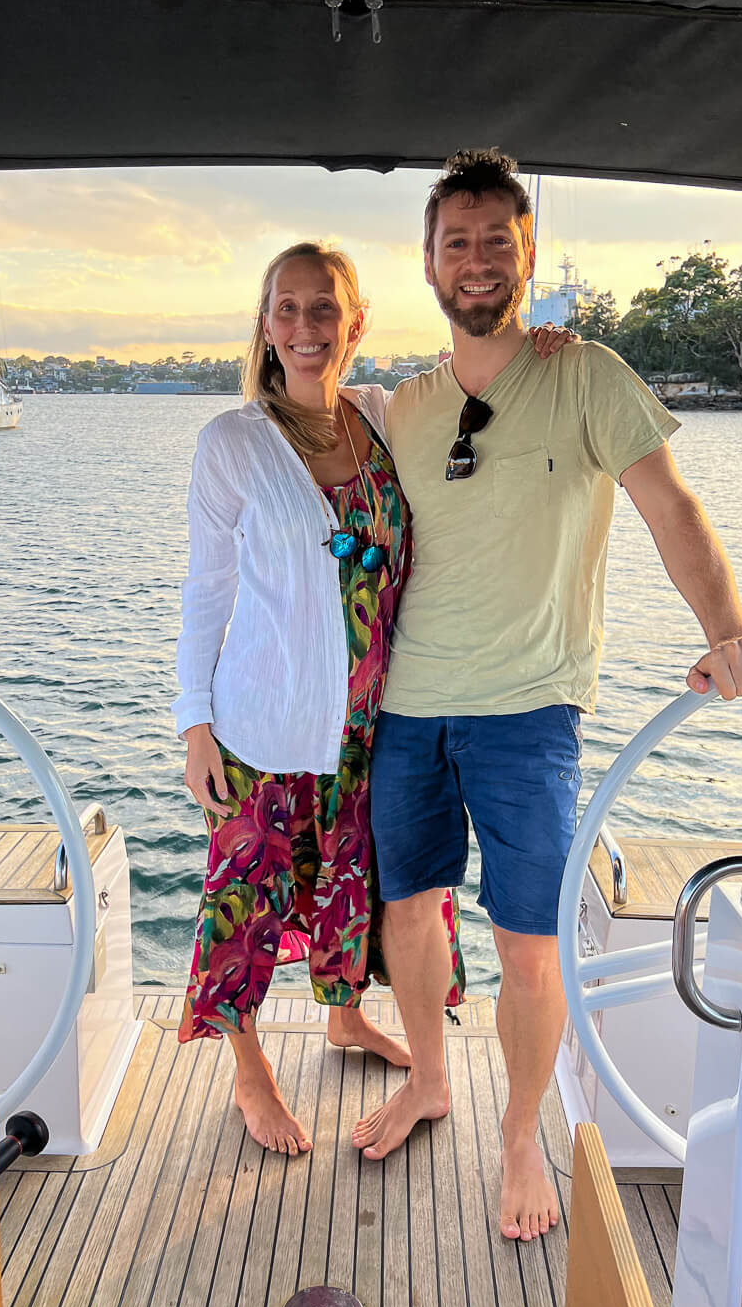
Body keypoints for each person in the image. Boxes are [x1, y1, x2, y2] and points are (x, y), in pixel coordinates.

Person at [353, 149, 742, 1241]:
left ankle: (521, 1134)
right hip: (407, 704)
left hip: (533, 709)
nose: (478, 259)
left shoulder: (586, 373)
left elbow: (671, 509)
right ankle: (434, 1079)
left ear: (527, 255)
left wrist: (726, 632)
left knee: (529, 942)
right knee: (409, 911)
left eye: (498, 240)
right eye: (458, 242)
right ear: (430, 262)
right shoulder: (404, 404)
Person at [172, 240, 569, 1154]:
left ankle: (344, 1020)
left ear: (354, 323)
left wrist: (535, 348)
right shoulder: (232, 442)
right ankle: (249, 1071)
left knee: (364, 886)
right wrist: (194, 720)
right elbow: (206, 589)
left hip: (377, 722)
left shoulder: (388, 416)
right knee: (247, 900)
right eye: (287, 308)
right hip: (263, 725)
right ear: (266, 324)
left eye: (324, 309)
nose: (305, 327)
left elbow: (489, 400)